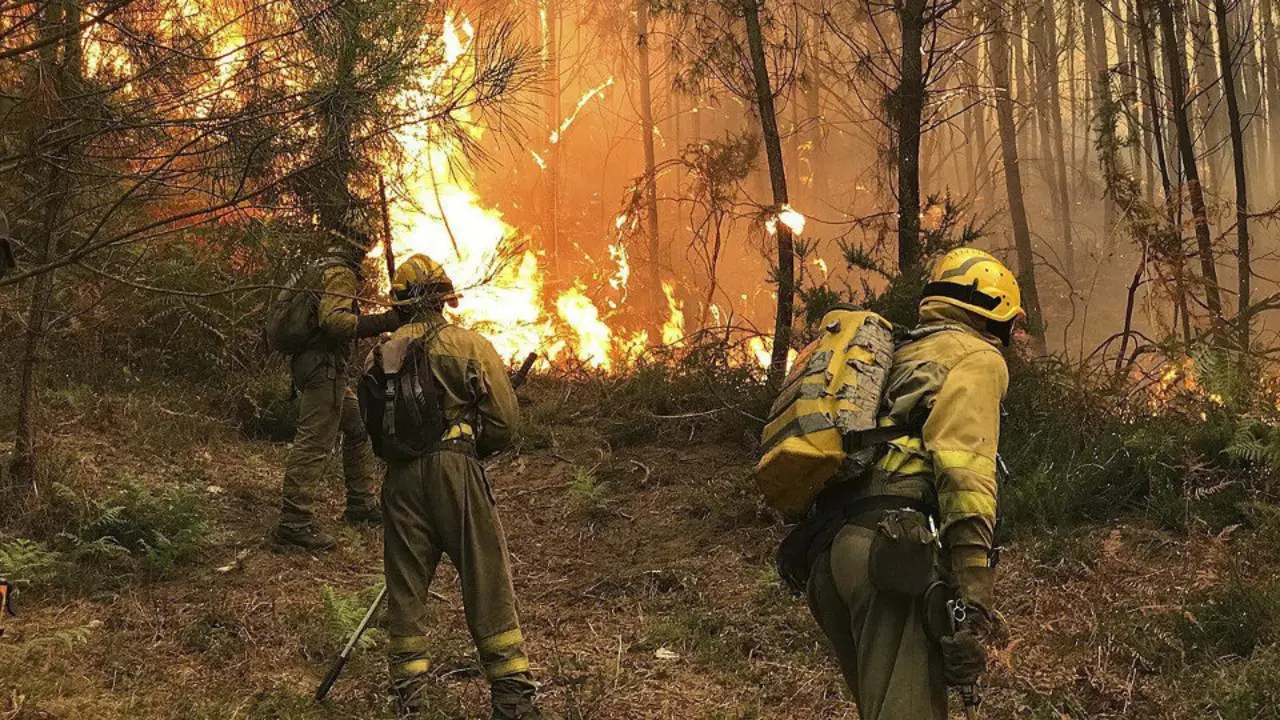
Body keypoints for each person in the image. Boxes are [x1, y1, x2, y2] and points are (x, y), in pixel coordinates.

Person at [803, 247, 1024, 719]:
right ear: (993, 316)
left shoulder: (898, 353)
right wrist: (974, 601)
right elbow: (964, 476)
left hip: (831, 555)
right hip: (890, 559)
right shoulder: (976, 358)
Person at [374, 254, 539, 719]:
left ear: (401, 303)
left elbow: (375, 424)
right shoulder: (469, 345)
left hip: (400, 480)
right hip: (455, 471)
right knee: (486, 576)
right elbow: (505, 422)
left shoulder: (381, 353)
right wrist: (468, 446)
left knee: (405, 588)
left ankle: (411, 699)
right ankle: (512, 697)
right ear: (443, 299)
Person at [273, 226, 403, 551]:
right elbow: (335, 322)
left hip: (312, 366)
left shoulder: (317, 267)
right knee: (314, 442)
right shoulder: (340, 273)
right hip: (324, 370)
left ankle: (361, 504)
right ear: (358, 248)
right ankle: (294, 522)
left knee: (358, 427)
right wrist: (386, 321)